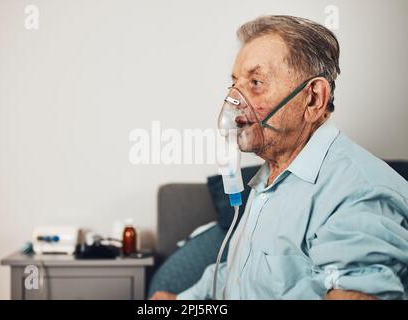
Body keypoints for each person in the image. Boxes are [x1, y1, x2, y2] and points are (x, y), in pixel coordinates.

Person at [151, 15, 408, 300]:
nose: (233, 102)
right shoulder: (270, 179)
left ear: (312, 99)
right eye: (235, 84)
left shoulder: (358, 192)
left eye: (256, 82)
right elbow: (243, 274)